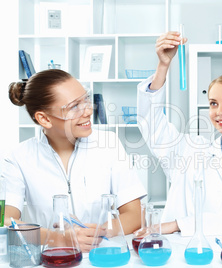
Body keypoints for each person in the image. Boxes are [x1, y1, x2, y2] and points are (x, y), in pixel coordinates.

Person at [136, 32, 222, 236]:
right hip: (183, 256)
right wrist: (163, 66)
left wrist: (178, 224)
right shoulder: (190, 150)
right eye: (213, 103)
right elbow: (151, 124)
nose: (219, 111)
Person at [3, 69, 147, 252]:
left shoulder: (108, 143)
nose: (87, 111)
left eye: (85, 99)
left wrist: (95, 234)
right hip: (53, 258)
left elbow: (135, 214)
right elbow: (7, 222)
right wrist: (57, 238)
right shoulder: (18, 157)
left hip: (101, 256)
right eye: (74, 107)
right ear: (44, 119)